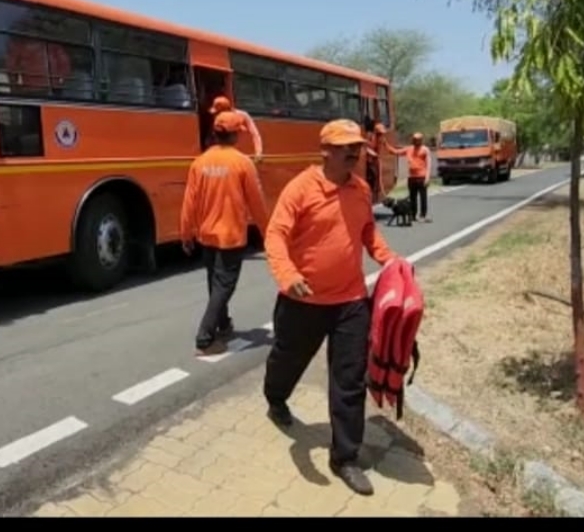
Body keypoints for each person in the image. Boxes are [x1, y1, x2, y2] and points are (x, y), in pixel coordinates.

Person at [262, 118, 399, 497]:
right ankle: (275, 397)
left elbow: (367, 232)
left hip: (351, 301)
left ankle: (345, 457)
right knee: (288, 359)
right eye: (344, 146)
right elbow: (275, 234)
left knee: (349, 379)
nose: (353, 152)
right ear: (325, 150)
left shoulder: (360, 189)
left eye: (356, 145)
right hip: (302, 300)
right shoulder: (301, 188)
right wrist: (287, 274)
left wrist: (389, 260)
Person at [180, 111, 270, 356]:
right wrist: (268, 234)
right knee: (224, 286)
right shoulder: (242, 163)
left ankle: (223, 324)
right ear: (233, 135)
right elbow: (257, 203)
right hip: (230, 235)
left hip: (206, 234)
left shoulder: (199, 163)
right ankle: (205, 338)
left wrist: (186, 233)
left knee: (214, 282)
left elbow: (189, 202)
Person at [386, 132, 433, 223]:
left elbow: (428, 164)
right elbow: (395, 152)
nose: (416, 141)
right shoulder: (409, 149)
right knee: (412, 197)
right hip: (412, 177)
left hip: (422, 177)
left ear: (421, 140)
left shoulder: (425, 150)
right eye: (415, 139)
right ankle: (413, 214)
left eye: (418, 140)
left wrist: (427, 177)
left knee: (423, 197)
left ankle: (423, 215)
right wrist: (385, 144)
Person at [208, 96, 263, 160]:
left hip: (241, 152)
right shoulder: (217, 119)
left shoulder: (243, 115)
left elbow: (255, 134)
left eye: (218, 111)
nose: (216, 114)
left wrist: (258, 152)